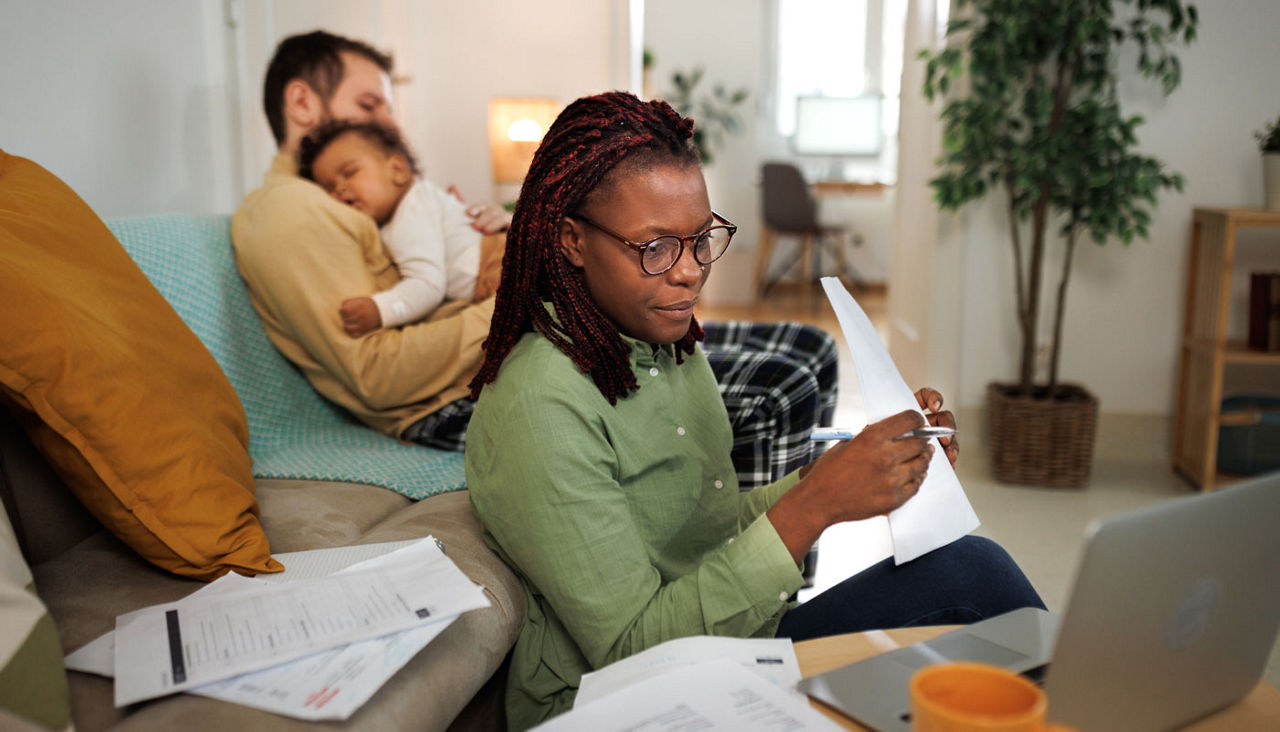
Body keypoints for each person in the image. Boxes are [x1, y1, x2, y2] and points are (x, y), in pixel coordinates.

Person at [464, 91, 1044, 730]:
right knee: (973, 599)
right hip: (623, 700)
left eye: (700, 239)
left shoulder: (661, 344)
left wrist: (851, 477)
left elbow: (702, 531)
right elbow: (633, 651)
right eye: (655, 246)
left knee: (974, 572)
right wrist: (814, 506)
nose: (689, 273)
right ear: (573, 241)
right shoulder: (539, 407)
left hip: (732, 645)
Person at [233, 29, 837, 481]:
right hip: (463, 394)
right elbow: (377, 376)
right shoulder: (290, 212)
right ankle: (763, 619)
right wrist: (524, 291)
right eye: (371, 106)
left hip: (529, 336)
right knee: (780, 390)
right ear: (302, 105)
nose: (390, 125)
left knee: (810, 346)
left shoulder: (367, 202)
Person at [297, 120, 500, 337]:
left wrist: (380, 309)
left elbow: (428, 285)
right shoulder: (411, 207)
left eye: (349, 173)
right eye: (329, 188)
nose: (339, 189)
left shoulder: (410, 209)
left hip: (496, 270)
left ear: (397, 170)